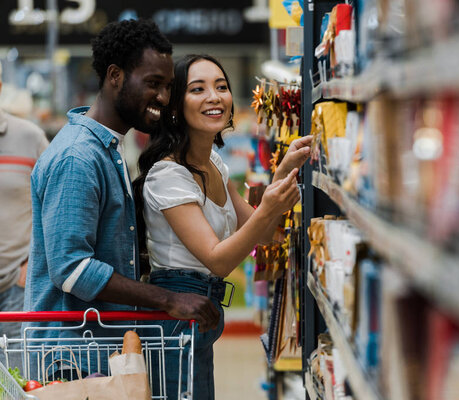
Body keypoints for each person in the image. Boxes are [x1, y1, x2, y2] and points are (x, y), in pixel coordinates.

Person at [24, 20, 220, 376]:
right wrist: (169, 299)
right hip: (70, 362)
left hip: (97, 352)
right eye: (152, 84)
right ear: (115, 76)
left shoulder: (107, 150)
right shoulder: (77, 158)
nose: (163, 97)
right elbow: (72, 270)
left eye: (168, 86)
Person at [132, 54, 312, 400]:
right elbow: (218, 259)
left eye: (222, 87)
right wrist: (269, 207)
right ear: (175, 106)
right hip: (175, 318)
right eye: (197, 89)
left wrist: (282, 175)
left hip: (203, 313)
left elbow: (267, 232)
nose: (214, 97)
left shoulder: (214, 163)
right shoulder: (168, 175)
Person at [0, 60, 48, 368]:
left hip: (16, 286)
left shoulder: (30, 138)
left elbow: (54, 205)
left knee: (16, 380)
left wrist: (31, 264)